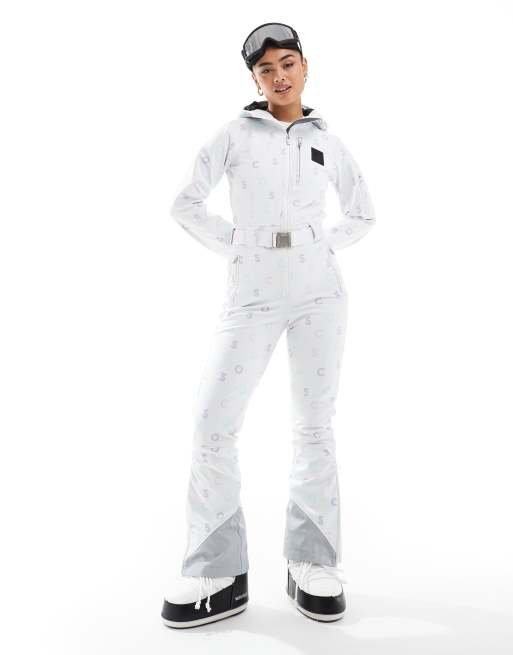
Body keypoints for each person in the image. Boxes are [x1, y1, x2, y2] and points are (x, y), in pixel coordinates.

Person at [161, 22, 376, 628]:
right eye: (265, 70)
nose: (279, 77)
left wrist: (318, 245)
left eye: (287, 64)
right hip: (251, 292)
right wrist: (237, 244)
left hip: (319, 294)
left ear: (305, 68)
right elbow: (185, 203)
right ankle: (217, 571)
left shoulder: (327, 142)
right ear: (254, 80)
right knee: (212, 423)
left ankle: (313, 561)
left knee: (314, 426)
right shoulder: (233, 135)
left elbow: (363, 213)